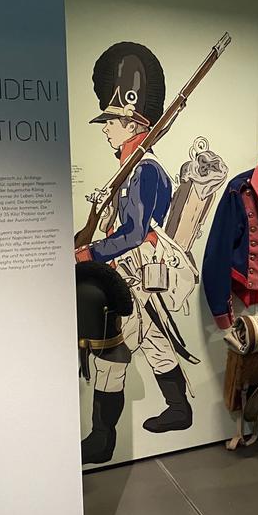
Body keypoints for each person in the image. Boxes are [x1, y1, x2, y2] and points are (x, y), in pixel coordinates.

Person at [75, 42, 193, 436]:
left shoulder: (144, 171)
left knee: (112, 353)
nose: (106, 127)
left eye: (112, 120)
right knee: (155, 345)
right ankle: (179, 410)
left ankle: (102, 439)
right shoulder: (127, 170)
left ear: (135, 124)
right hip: (133, 275)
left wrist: (88, 252)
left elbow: (135, 233)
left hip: (136, 273)